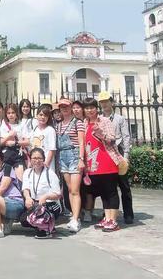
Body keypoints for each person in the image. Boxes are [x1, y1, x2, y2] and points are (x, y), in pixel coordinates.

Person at [83, 98, 121, 232]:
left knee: (111, 192)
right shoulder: (84, 123)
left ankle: (113, 220)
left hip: (107, 161)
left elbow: (112, 139)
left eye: (92, 107)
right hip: (93, 164)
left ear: (96, 108)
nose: (89, 110)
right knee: (103, 192)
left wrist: (101, 133)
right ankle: (107, 218)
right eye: (87, 108)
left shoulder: (104, 121)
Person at [98, 91, 134, 224]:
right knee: (107, 186)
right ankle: (107, 213)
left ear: (111, 102)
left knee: (124, 185)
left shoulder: (120, 119)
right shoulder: (99, 118)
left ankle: (128, 214)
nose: (104, 104)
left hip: (118, 151)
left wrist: (126, 156)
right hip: (105, 153)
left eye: (106, 101)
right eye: (102, 102)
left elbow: (126, 138)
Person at [55, 98, 85, 233]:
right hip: (63, 156)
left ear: (71, 107)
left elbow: (81, 142)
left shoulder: (78, 123)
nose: (64, 109)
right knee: (69, 188)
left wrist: (81, 159)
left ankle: (76, 218)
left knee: (75, 190)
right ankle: (74, 215)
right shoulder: (58, 125)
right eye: (61, 107)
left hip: (74, 155)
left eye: (66, 106)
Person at [22, 148, 62, 239]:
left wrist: (46, 196)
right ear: (30, 159)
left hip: (50, 204)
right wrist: (28, 198)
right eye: (34, 158)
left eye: (39, 158)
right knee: (23, 220)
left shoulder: (50, 173)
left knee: (41, 213)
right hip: (35, 204)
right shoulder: (27, 173)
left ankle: (46, 228)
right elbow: (25, 189)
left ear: (43, 159)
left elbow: (58, 194)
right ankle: (43, 226)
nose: (37, 161)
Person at [0, 104, 24, 180]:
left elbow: (27, 141)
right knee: (6, 179)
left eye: (13, 112)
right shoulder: (3, 125)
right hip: (7, 155)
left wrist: (15, 143)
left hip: (18, 154)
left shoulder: (21, 125)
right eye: (8, 113)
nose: (11, 115)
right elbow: (0, 142)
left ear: (16, 113)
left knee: (20, 178)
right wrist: (9, 136)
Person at [28, 105, 57, 173]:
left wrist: (46, 164)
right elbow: (31, 147)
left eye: (45, 115)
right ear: (37, 115)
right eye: (41, 115)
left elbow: (52, 150)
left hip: (46, 164)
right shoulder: (34, 130)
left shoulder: (50, 130)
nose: (43, 117)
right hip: (35, 163)